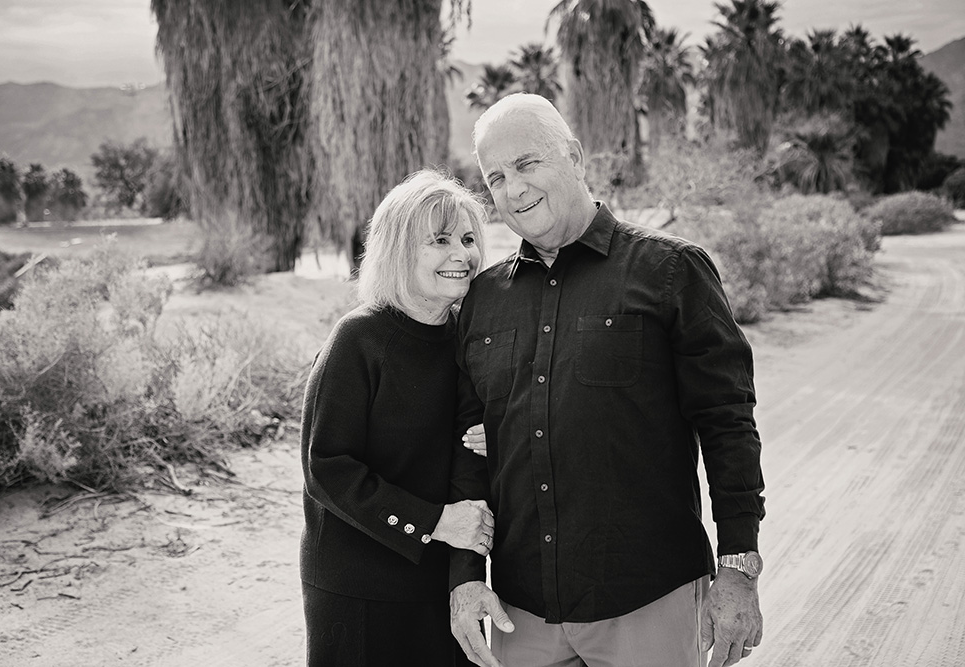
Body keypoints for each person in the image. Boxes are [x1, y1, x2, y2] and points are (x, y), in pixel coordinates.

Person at [448, 93, 767, 667]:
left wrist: (738, 570)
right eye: (495, 177)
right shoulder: (481, 302)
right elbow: (469, 454)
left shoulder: (670, 272)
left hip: (648, 600)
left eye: (527, 165)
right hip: (521, 611)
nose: (513, 189)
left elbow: (728, 425)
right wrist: (467, 578)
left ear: (573, 156)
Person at [300, 169, 495, 666]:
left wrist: (466, 576)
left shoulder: (468, 341)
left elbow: (469, 468)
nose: (461, 254)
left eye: (469, 238)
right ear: (399, 249)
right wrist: (432, 522)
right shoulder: (358, 340)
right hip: (357, 589)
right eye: (440, 240)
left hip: (439, 584)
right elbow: (327, 465)